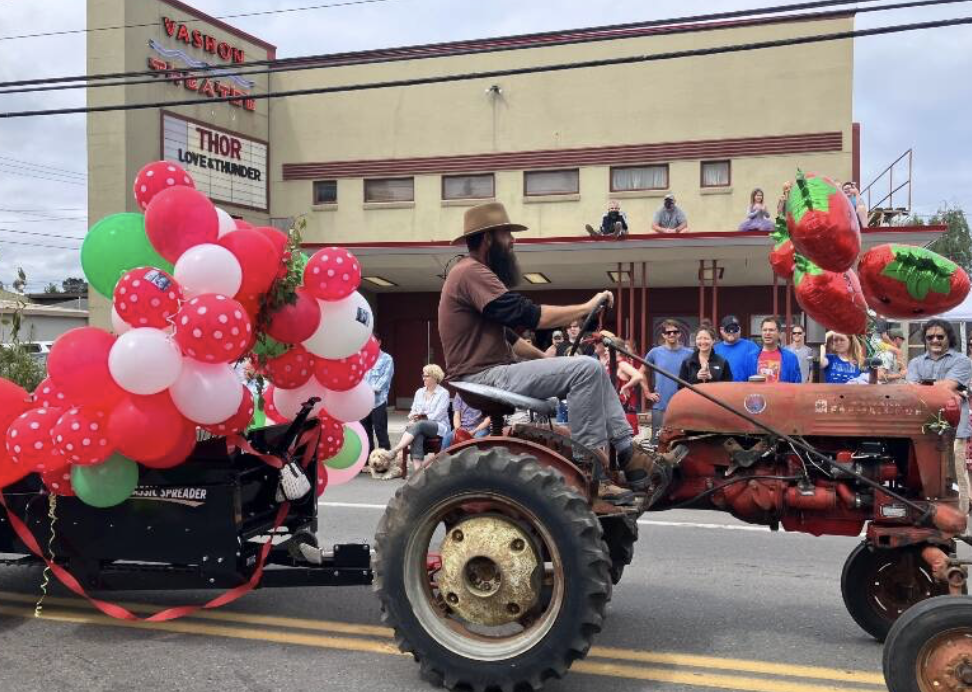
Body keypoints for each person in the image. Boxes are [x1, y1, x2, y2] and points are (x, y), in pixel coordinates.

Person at [437, 201, 665, 504]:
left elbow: (508, 335)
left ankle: (626, 452)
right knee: (586, 368)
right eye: (507, 235)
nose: (513, 241)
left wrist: (544, 359)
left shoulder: (471, 274)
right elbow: (528, 315)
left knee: (592, 368)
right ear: (489, 238)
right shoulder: (471, 272)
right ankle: (590, 470)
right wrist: (587, 307)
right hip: (483, 376)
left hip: (488, 374)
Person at [906, 319, 972, 513]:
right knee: (925, 476)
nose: (934, 340)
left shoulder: (962, 361)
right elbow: (911, 392)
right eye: (930, 337)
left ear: (948, 338)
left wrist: (926, 387)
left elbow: (945, 387)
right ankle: (931, 516)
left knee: (957, 476)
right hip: (923, 427)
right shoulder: (915, 362)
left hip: (954, 428)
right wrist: (942, 388)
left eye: (940, 336)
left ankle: (961, 521)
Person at [382, 363, 450, 471]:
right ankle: (418, 472)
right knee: (418, 434)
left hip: (438, 426)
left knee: (420, 424)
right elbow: (413, 410)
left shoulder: (443, 393)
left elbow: (438, 415)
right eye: (423, 375)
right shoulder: (419, 392)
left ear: (434, 377)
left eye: (426, 376)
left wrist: (420, 419)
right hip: (420, 425)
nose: (423, 378)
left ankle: (395, 450)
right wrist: (413, 417)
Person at [644, 319, 692, 444]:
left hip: (682, 406)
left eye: (675, 332)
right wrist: (647, 393)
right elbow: (641, 372)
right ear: (663, 335)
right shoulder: (655, 352)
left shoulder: (690, 354)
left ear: (679, 334)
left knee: (682, 442)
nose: (672, 334)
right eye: (668, 332)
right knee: (657, 442)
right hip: (660, 405)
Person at [593, 330, 647, 434]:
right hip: (616, 412)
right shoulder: (613, 365)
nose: (606, 353)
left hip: (624, 413)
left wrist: (625, 387)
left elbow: (638, 376)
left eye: (608, 351)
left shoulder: (622, 364)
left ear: (617, 351)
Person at [359, 334, 394, 456]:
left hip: (378, 401)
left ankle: (386, 460)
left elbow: (385, 380)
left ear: (379, 342)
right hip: (363, 401)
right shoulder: (363, 358)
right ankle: (369, 460)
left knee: (380, 431)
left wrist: (369, 389)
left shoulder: (386, 359)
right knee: (365, 431)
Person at [739, 317, 803, 383]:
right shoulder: (749, 358)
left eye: (771, 330)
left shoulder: (790, 358)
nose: (767, 333)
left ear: (779, 334)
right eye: (764, 330)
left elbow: (797, 385)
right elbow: (742, 384)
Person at [714, 315, 760, 382]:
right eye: (728, 328)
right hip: (722, 389)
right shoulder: (715, 350)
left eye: (734, 328)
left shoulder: (751, 347)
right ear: (721, 330)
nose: (731, 332)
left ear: (739, 329)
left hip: (745, 389)